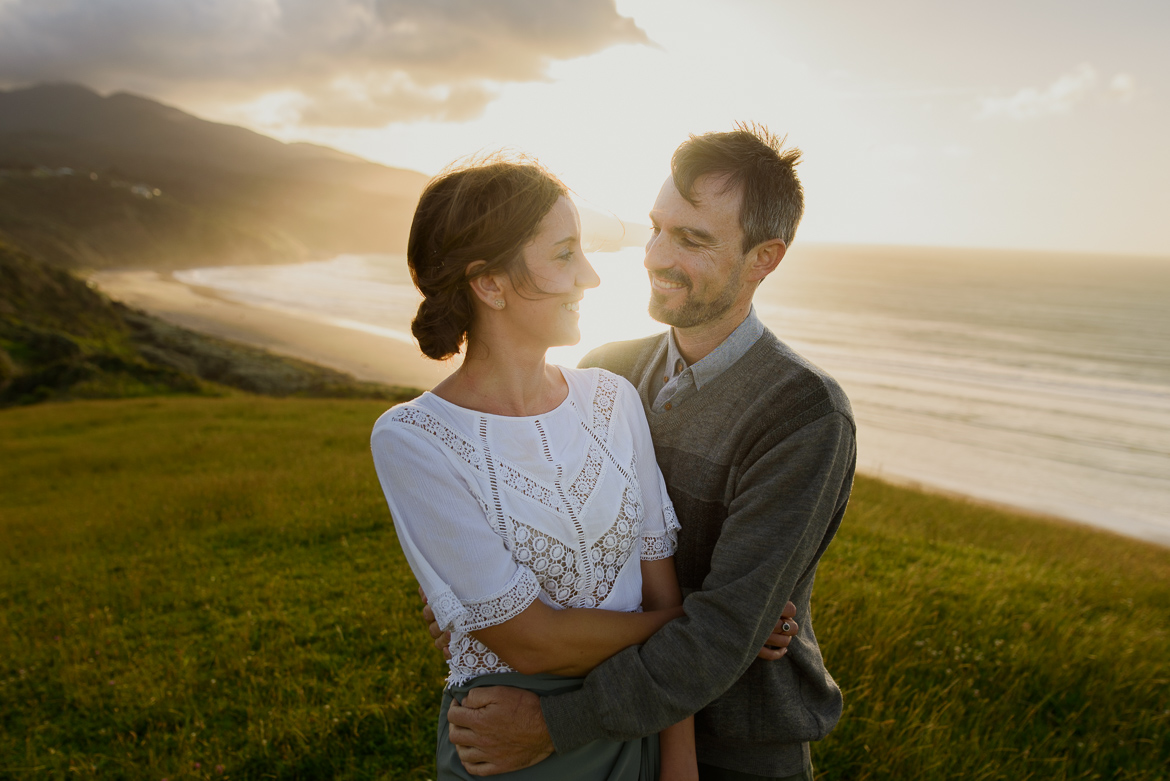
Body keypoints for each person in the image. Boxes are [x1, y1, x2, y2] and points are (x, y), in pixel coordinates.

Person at [439, 125, 857, 781]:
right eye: (657, 228)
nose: (655, 255)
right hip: (604, 725)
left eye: (691, 240)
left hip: (733, 746)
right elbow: (521, 534)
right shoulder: (604, 371)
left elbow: (721, 636)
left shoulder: (804, 414)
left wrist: (550, 725)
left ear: (763, 258)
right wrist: (473, 604)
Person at [370, 157, 705, 779]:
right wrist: (703, 630)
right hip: (508, 739)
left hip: (639, 721)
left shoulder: (612, 400)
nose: (592, 277)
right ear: (489, 283)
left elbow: (661, 586)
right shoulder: (414, 439)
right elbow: (531, 642)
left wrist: (678, 766)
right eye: (564, 253)